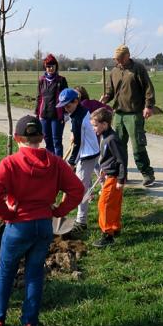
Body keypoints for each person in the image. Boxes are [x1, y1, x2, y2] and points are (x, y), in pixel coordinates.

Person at [0, 115, 84, 326]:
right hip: (44, 227)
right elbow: (77, 189)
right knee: (35, 273)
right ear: (42, 138)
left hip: (18, 226)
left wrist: (6, 213)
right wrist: (58, 211)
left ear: (17, 138)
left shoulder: (10, 163)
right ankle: (29, 325)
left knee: (6, 272)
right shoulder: (55, 162)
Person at [100, 44, 156, 187]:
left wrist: (148, 106)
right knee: (118, 147)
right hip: (118, 114)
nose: (118, 61)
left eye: (120, 58)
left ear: (127, 56)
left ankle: (147, 174)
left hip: (134, 114)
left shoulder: (138, 69)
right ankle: (122, 175)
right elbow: (110, 91)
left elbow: (148, 89)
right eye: (116, 59)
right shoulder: (114, 71)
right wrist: (106, 97)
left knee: (138, 146)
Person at [56, 88, 100, 231]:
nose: (66, 109)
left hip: (87, 154)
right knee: (97, 180)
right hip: (92, 150)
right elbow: (78, 133)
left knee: (81, 188)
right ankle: (108, 198)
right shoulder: (80, 111)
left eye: (68, 105)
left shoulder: (78, 118)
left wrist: (72, 162)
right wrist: (73, 133)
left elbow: (78, 143)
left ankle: (81, 221)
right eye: (64, 106)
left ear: (76, 101)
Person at [90, 108, 127, 248]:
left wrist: (121, 179)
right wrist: (103, 170)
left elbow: (121, 160)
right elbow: (109, 158)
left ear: (104, 124)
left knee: (104, 204)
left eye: (95, 125)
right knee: (114, 203)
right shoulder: (104, 136)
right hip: (109, 174)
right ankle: (115, 227)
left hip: (114, 178)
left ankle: (107, 234)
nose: (93, 128)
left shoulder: (112, 139)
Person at [34, 54, 68, 157]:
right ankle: (51, 164)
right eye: (48, 66)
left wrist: (65, 113)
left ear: (56, 66)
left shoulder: (61, 80)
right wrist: (37, 113)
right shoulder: (41, 80)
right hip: (44, 115)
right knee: (47, 140)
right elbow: (39, 97)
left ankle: (59, 165)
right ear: (45, 67)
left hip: (57, 116)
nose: (51, 68)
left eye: (53, 66)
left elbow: (66, 98)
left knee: (56, 141)